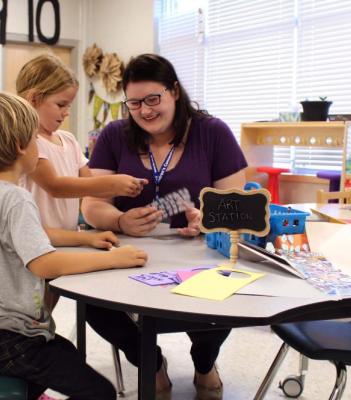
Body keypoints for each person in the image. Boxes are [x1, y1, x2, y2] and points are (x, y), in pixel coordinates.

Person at [81, 53, 247, 400]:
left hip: (201, 253)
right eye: (135, 103)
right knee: (93, 304)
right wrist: (119, 220)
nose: (145, 111)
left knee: (231, 294)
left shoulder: (212, 132)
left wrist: (209, 220)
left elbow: (238, 208)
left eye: (153, 99)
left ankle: (204, 361)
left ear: (174, 91)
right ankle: (150, 363)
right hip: (130, 253)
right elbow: (92, 205)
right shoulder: (114, 136)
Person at [0, 92, 148, 400]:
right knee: (99, 392)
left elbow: (34, 234)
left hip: (12, 333)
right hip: (12, 335)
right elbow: (45, 263)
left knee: (66, 353)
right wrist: (115, 259)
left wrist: (86, 238)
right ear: (20, 146)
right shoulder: (15, 198)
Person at [17, 54, 145, 232]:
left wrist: (127, 188)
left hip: (68, 240)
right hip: (37, 243)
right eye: (61, 105)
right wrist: (113, 183)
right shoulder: (28, 142)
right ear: (34, 99)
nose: (66, 112)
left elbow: (90, 186)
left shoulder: (68, 140)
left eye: (69, 105)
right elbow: (56, 187)